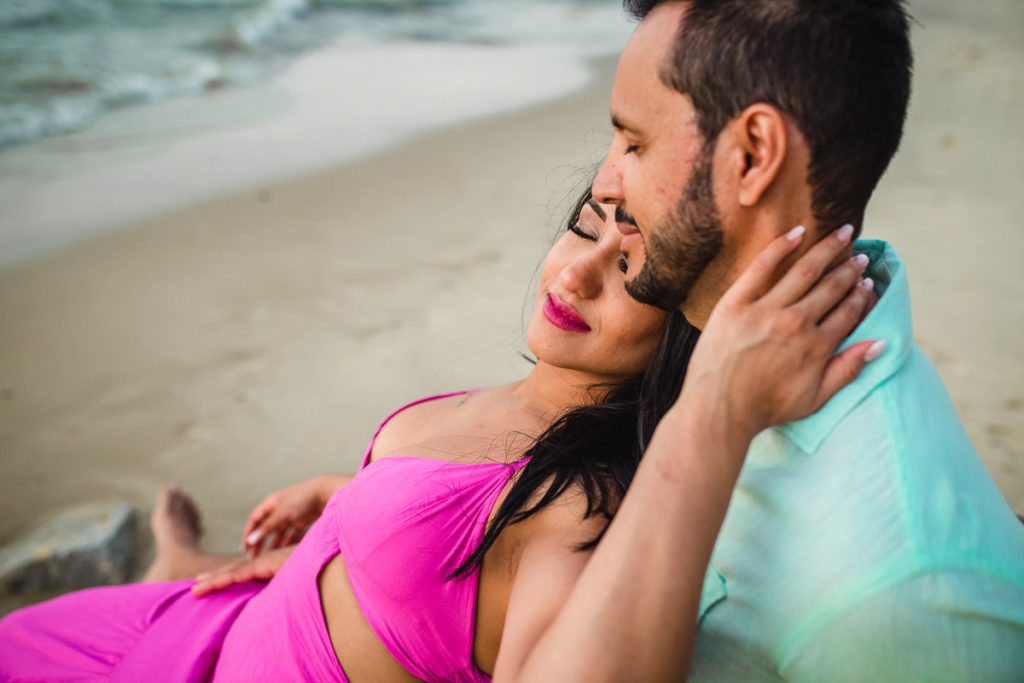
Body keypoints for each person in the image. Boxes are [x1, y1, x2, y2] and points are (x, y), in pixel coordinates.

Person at [0, 185, 877, 681]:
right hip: (203, 632)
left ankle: (174, 556)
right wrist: (347, 502)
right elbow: (455, 535)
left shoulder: (581, 509)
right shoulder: (533, 404)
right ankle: (175, 558)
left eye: (628, 273)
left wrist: (716, 409)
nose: (574, 271)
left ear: (681, 335)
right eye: (584, 226)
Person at [540, 1, 1024, 681]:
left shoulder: (900, 594)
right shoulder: (703, 341)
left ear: (753, 155)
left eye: (633, 142)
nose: (604, 183)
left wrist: (713, 415)